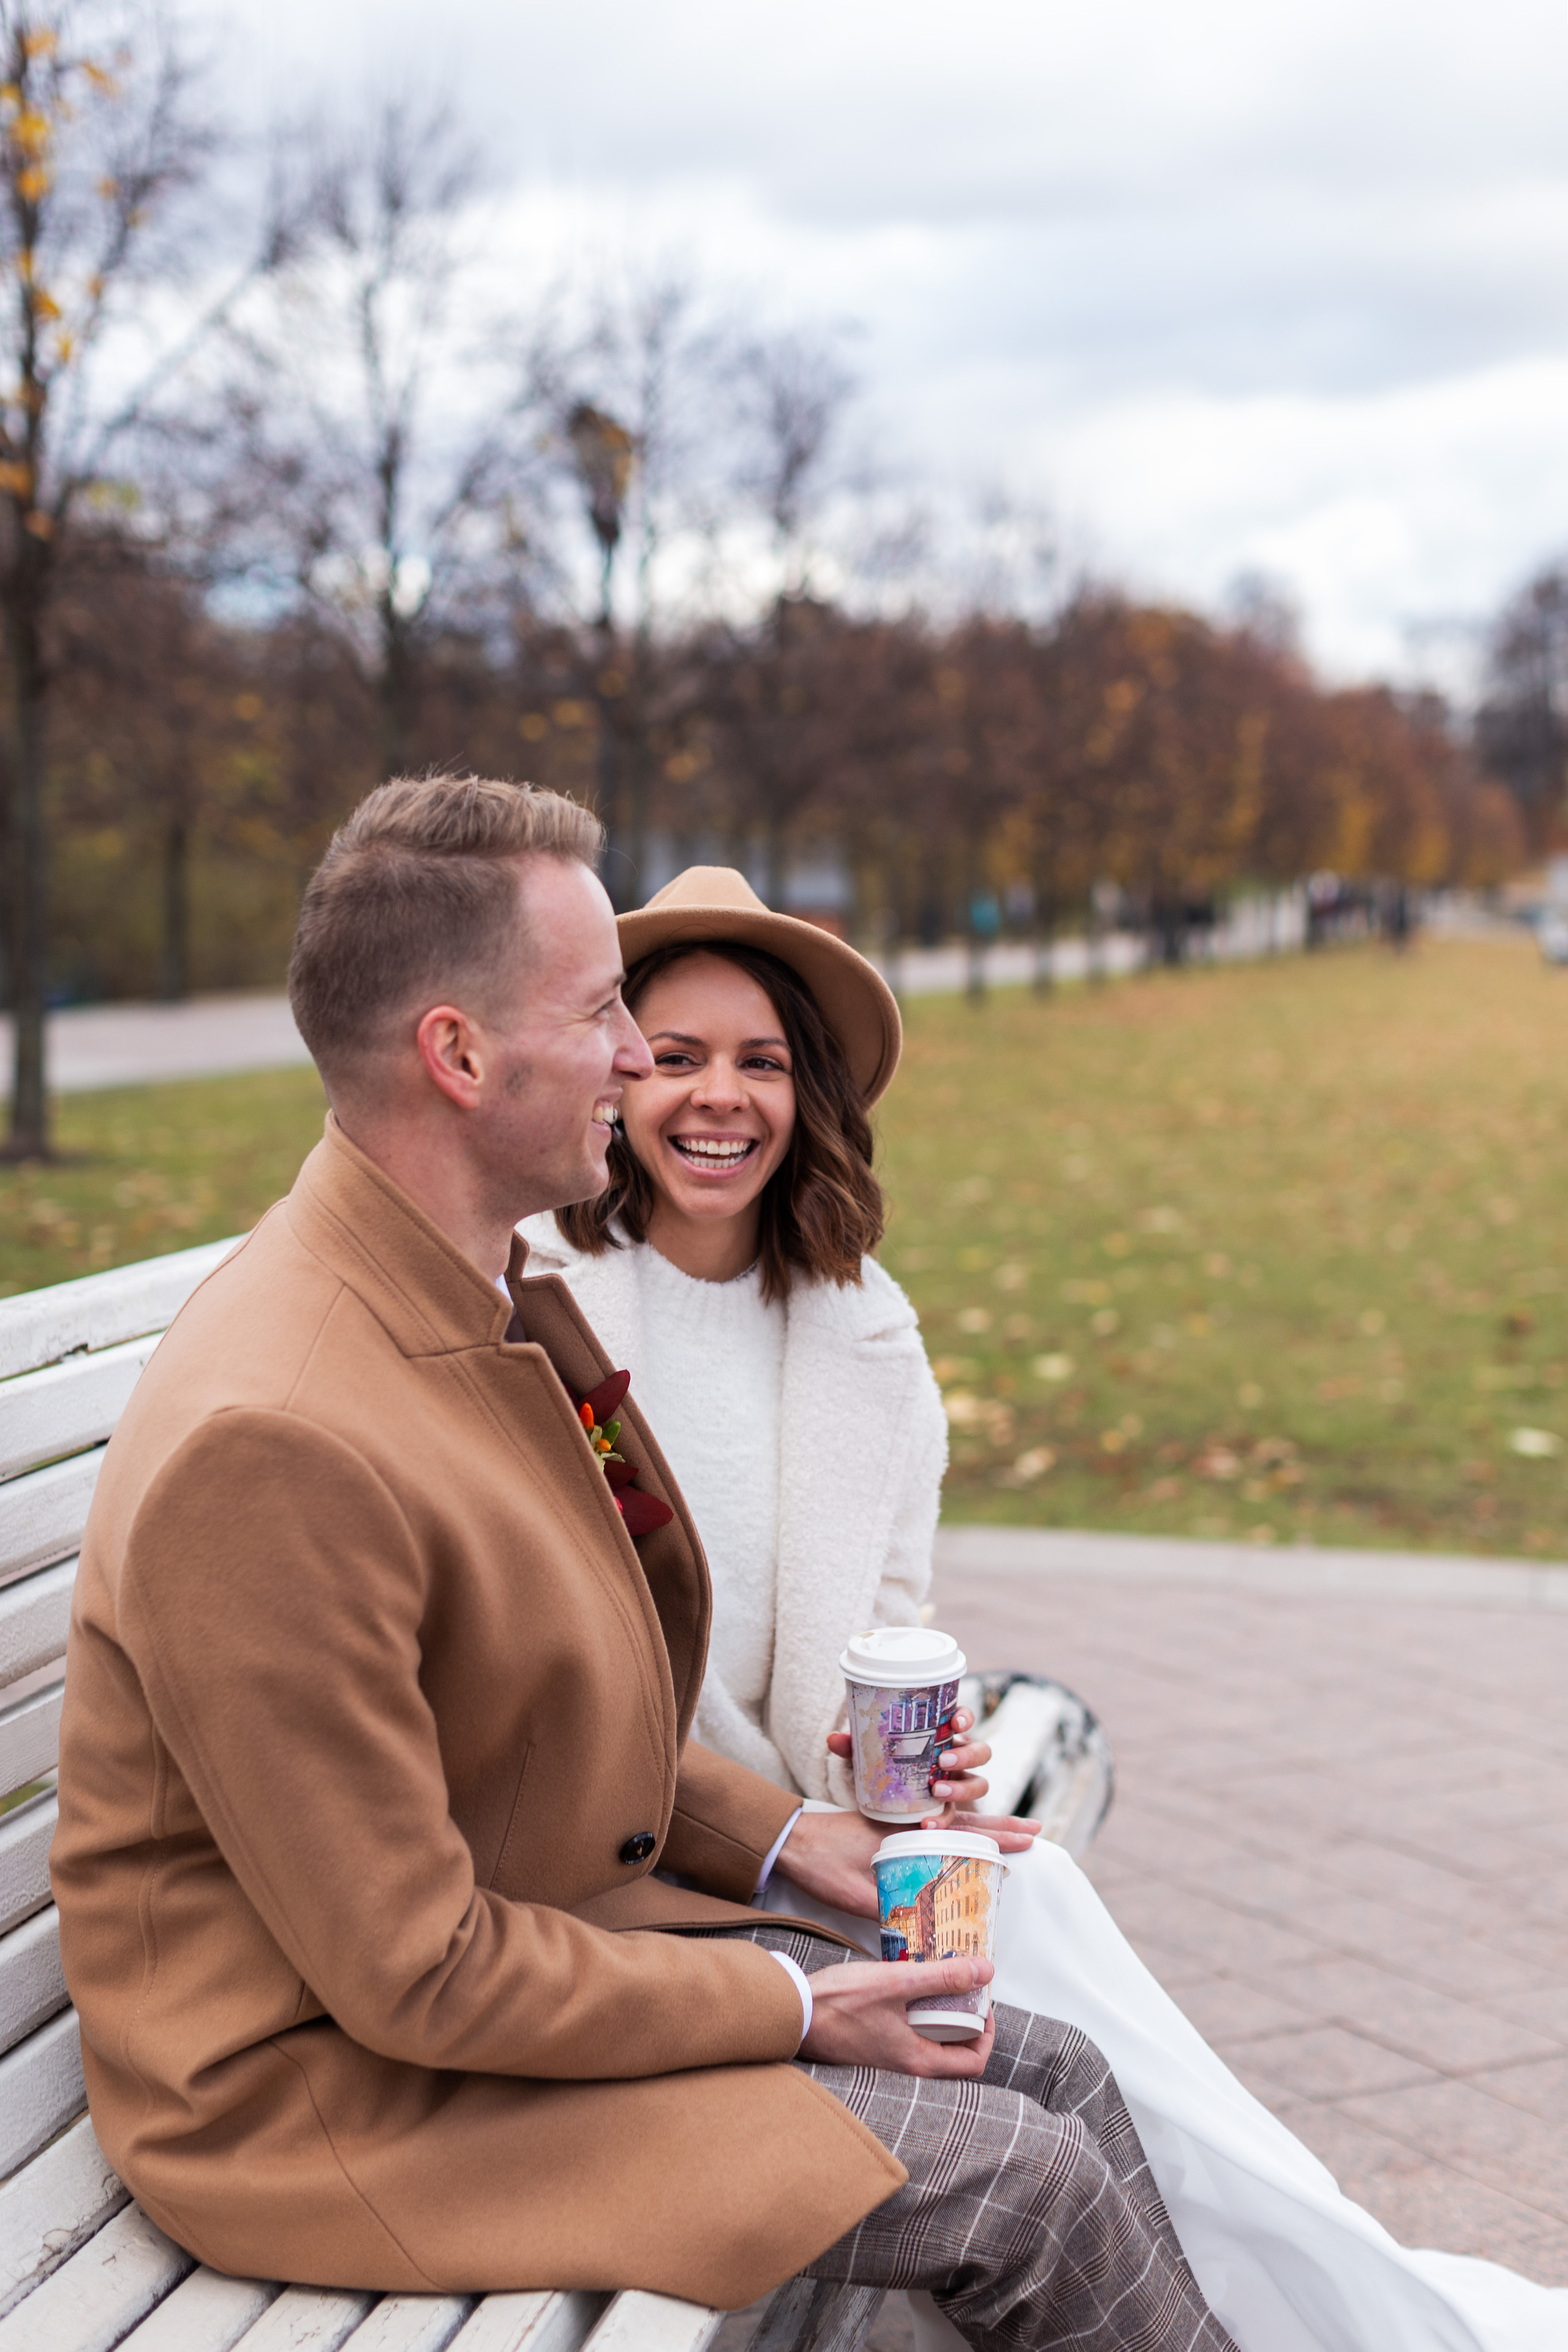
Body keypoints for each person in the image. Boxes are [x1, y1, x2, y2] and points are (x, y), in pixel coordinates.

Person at [52, 778, 1232, 2352]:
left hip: (497, 1951)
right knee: (1022, 2178)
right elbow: (419, 1977)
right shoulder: (275, 1439)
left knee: (1053, 2070)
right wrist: (801, 2002)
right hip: (320, 2089)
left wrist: (786, 1842)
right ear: (458, 1057)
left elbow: (544, 1704)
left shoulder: (477, 1284)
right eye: (607, 1009)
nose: (635, 1053)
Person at [526, 865, 1567, 2352]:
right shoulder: (547, 1308)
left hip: (818, 1844)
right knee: (1035, 2025)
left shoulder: (862, 1335)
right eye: (677, 1055)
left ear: (806, 1090)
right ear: (617, 1068)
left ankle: (1340, 2296)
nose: (718, 1100)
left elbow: (878, 1644)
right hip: (652, 1867)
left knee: (1035, 1910)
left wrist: (905, 1767)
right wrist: (798, 1831)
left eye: (759, 1061)